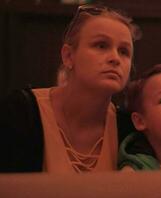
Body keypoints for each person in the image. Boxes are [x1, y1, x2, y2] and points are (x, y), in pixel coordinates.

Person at [0, 4, 141, 173]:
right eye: (101, 45)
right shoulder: (20, 114)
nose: (115, 58)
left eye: (124, 51)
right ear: (68, 56)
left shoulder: (128, 128)